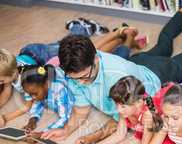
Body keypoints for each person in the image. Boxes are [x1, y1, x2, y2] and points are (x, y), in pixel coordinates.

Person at [42, 1, 182, 144]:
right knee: (163, 43)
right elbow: (80, 109)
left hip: (157, 72)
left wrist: (92, 139)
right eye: (75, 79)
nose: (82, 83)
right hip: (137, 62)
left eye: (85, 77)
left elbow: (119, 121)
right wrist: (66, 130)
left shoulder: (117, 77)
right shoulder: (77, 71)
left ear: (96, 59)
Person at [0, 27, 139, 127]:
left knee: (96, 52)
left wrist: (6, 117)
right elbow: (13, 93)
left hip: (41, 55)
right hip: (51, 62)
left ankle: (121, 35)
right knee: (95, 52)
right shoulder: (43, 75)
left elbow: (30, 105)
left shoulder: (34, 77)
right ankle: (123, 37)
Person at [19, 64, 74, 137]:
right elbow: (37, 105)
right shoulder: (40, 91)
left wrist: (43, 133)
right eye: (30, 94)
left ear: (46, 84)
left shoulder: (60, 90)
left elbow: (65, 117)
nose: (33, 98)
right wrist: (32, 120)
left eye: (35, 94)